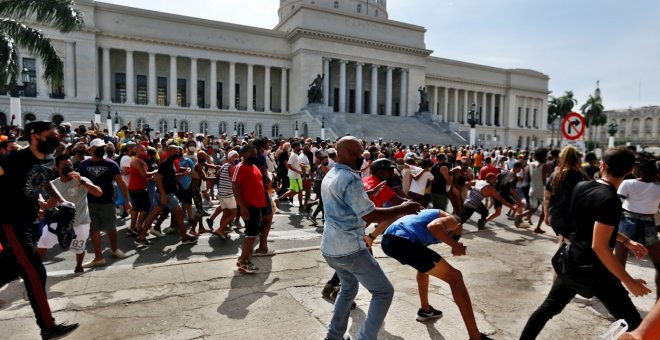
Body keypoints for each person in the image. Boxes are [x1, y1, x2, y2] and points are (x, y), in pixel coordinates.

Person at [520, 147, 651, 339]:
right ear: (630, 170)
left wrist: (626, 240)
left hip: (572, 261)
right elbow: (599, 245)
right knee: (634, 324)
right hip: (596, 272)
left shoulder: (582, 187)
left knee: (547, 308)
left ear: (602, 165)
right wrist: (629, 281)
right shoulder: (610, 200)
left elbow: (590, 228)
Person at [320, 136, 421, 340]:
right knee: (383, 292)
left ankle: (334, 336)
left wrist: (368, 192)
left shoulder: (330, 175)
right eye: (357, 154)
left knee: (348, 288)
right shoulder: (350, 178)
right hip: (350, 249)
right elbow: (369, 215)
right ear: (346, 154)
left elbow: (343, 200)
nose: (361, 158)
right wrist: (403, 208)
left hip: (330, 248)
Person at [0, 121, 79, 339]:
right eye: (51, 135)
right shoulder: (13, 159)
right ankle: (48, 327)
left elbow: (44, 181)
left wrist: (61, 201)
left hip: (32, 221)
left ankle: (47, 326)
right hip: (12, 224)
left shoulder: (49, 158)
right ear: (34, 136)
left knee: (12, 269)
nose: (57, 138)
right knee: (34, 272)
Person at [381, 209, 492, 340]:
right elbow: (435, 227)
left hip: (388, 241)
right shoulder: (453, 220)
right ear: (459, 227)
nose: (451, 238)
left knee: (423, 267)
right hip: (403, 241)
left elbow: (423, 263)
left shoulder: (423, 218)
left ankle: (425, 310)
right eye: (454, 235)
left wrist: (453, 243)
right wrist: (455, 245)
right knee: (456, 277)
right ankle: (476, 337)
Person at [37, 155, 103, 273]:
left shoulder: (81, 179)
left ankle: (79, 266)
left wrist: (82, 181)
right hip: (59, 221)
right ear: (57, 168)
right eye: (65, 166)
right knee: (43, 241)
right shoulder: (54, 184)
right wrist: (42, 205)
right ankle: (35, 268)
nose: (68, 168)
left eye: (70, 165)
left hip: (80, 221)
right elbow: (51, 204)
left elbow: (98, 193)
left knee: (79, 248)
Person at [78, 138, 131, 267]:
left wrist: (127, 201)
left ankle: (114, 249)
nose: (101, 150)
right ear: (90, 150)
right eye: (97, 148)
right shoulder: (83, 164)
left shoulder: (111, 164)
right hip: (89, 203)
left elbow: (121, 183)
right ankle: (98, 257)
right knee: (94, 229)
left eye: (102, 147)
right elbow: (78, 184)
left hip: (108, 201)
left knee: (112, 227)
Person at [614, 152, 660, 300]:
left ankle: (617, 299)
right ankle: (658, 302)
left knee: (618, 265)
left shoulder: (627, 183)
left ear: (637, 169)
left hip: (626, 224)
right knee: (659, 265)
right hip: (648, 225)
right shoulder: (658, 187)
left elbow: (615, 206)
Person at [135, 145, 198, 246]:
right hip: (167, 195)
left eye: (178, 152)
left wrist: (183, 174)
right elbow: (158, 179)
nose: (178, 154)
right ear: (169, 152)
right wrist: (164, 195)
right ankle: (185, 238)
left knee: (153, 216)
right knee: (180, 214)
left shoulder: (171, 163)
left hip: (163, 194)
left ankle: (141, 237)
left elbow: (171, 177)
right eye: (176, 152)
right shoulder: (165, 164)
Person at [233, 143, 267, 273]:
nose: (254, 157)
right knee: (251, 234)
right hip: (249, 206)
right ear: (243, 155)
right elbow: (235, 186)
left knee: (253, 233)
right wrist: (242, 207)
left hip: (257, 205)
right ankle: (244, 261)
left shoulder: (253, 166)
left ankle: (244, 258)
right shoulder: (240, 167)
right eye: (251, 155)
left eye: (255, 154)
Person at [206, 150, 239, 239]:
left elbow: (217, 174)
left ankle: (222, 231)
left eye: (237, 156)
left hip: (221, 193)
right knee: (233, 213)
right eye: (235, 156)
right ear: (229, 157)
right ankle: (220, 230)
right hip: (228, 194)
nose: (237, 158)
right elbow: (235, 180)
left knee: (225, 213)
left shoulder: (225, 165)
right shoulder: (232, 167)